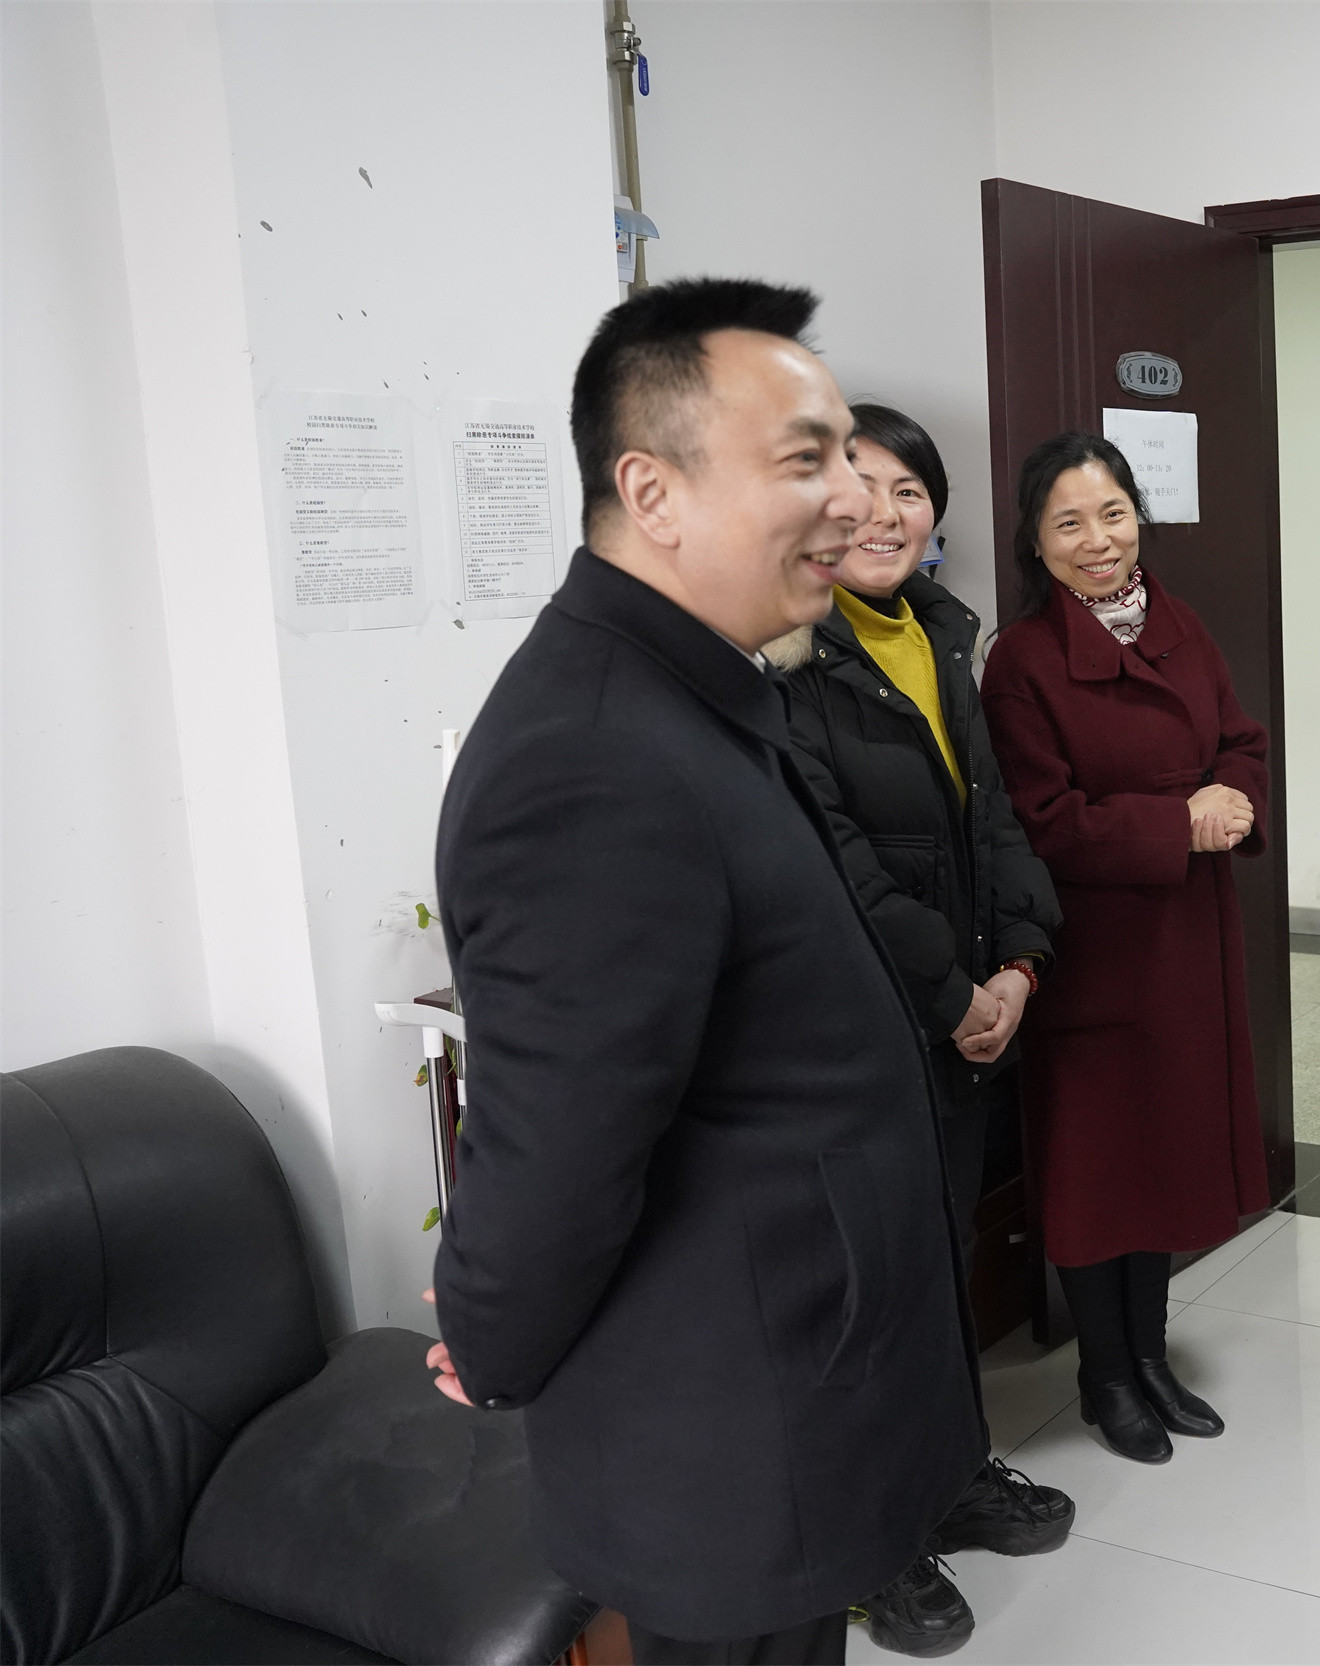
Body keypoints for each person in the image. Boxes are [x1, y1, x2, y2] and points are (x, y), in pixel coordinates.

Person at [424, 279, 983, 1666]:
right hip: (726, 1431)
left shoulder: (703, 689)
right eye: (806, 458)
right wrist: (492, 1328)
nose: (854, 497)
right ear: (651, 491)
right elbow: (559, 1134)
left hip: (791, 1372)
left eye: (849, 453)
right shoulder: (593, 753)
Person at [772, 403, 1072, 1656]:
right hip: (865, 1029)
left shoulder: (941, 632)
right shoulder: (790, 651)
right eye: (861, 485)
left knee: (940, 1258)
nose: (883, 513)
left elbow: (992, 817)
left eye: (910, 490)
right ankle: (871, 1540)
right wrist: (954, 995)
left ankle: (948, 1475)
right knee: (868, 1287)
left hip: (962, 1016)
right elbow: (835, 858)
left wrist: (1019, 960)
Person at [980, 432, 1272, 1466]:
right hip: (1094, 952)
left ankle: (1150, 1356)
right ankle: (1104, 1375)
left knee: (1165, 1158)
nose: (1098, 540)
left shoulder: (1179, 624)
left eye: (1112, 514)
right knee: (1096, 1173)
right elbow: (1040, 821)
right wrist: (1173, 824)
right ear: (1035, 541)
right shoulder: (1021, 661)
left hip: (1187, 941)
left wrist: (1235, 793)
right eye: (1069, 523)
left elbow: (1239, 738)